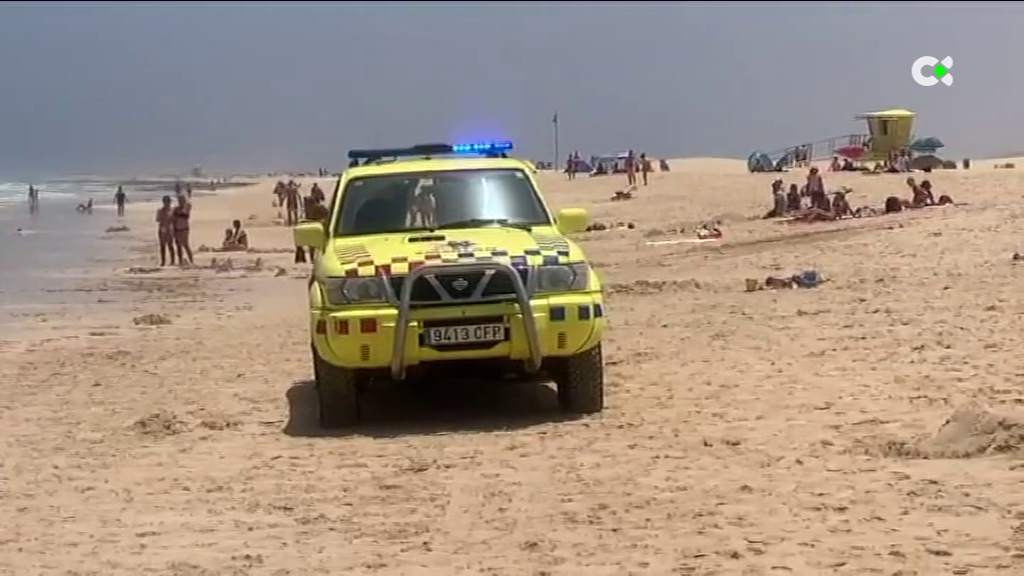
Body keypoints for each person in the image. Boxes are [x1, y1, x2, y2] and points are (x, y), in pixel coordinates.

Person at [172, 194, 194, 266]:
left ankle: (191, 261)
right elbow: (173, 219)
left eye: (182, 200)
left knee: (185, 245)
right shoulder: (176, 209)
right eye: (179, 200)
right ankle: (180, 261)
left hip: (184, 229)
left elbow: (185, 215)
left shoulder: (186, 208)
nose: (180, 202)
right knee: (178, 246)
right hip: (177, 229)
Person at [155, 195, 176, 266]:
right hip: (163, 229)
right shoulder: (160, 210)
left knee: (170, 245)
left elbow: (174, 220)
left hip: (170, 229)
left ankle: (173, 261)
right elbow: (157, 219)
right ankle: (163, 261)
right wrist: (163, 216)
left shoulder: (172, 210)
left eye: (168, 201)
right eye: (166, 202)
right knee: (162, 246)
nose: (167, 203)